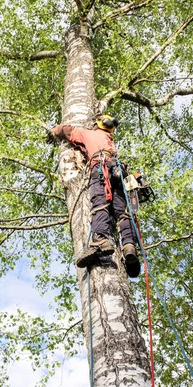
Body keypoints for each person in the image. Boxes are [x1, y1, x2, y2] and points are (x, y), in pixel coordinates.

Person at [51, 114, 140, 278]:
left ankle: (100, 240)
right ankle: (129, 245)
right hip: (118, 172)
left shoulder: (89, 134)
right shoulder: (110, 140)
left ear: (98, 123)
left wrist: (54, 131)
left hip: (100, 168)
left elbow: (65, 130)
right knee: (122, 212)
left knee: (100, 204)